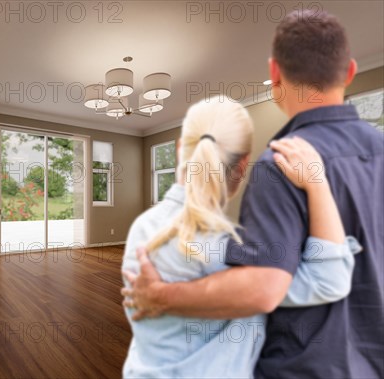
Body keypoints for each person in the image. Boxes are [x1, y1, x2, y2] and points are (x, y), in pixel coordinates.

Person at [122, 9, 384, 378]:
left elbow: (262, 287)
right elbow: (313, 281)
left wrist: (160, 296)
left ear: (275, 73)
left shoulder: (278, 165)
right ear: (351, 71)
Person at [121, 97, 361, 378]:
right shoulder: (228, 247)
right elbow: (328, 279)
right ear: (243, 164)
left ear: (179, 150)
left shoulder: (142, 225)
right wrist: (317, 183)